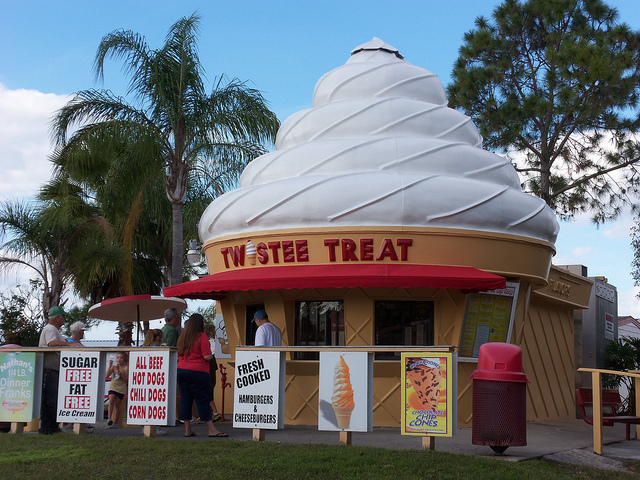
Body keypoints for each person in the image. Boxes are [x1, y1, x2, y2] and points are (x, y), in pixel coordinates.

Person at [176, 314, 228, 437]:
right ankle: (211, 429)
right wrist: (211, 356)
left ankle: (187, 430)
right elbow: (206, 356)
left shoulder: (182, 338)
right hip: (198, 371)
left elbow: (179, 355)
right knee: (203, 400)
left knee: (186, 400)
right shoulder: (201, 336)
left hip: (182, 370)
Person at [38, 305, 83, 434]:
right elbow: (52, 343)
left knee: (50, 400)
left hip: (51, 370)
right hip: (50, 370)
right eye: (63, 316)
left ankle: (50, 427)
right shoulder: (51, 329)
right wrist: (71, 344)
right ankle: (49, 427)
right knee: (52, 400)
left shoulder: (52, 329)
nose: (64, 319)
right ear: (57, 317)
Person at [105, 351, 128, 428]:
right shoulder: (114, 367)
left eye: (121, 358)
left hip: (121, 388)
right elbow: (106, 375)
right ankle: (109, 418)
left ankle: (116, 422)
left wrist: (121, 374)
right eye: (118, 358)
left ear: (124, 359)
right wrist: (110, 366)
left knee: (118, 404)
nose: (119, 359)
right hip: (113, 386)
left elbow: (127, 381)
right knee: (111, 399)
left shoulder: (126, 368)